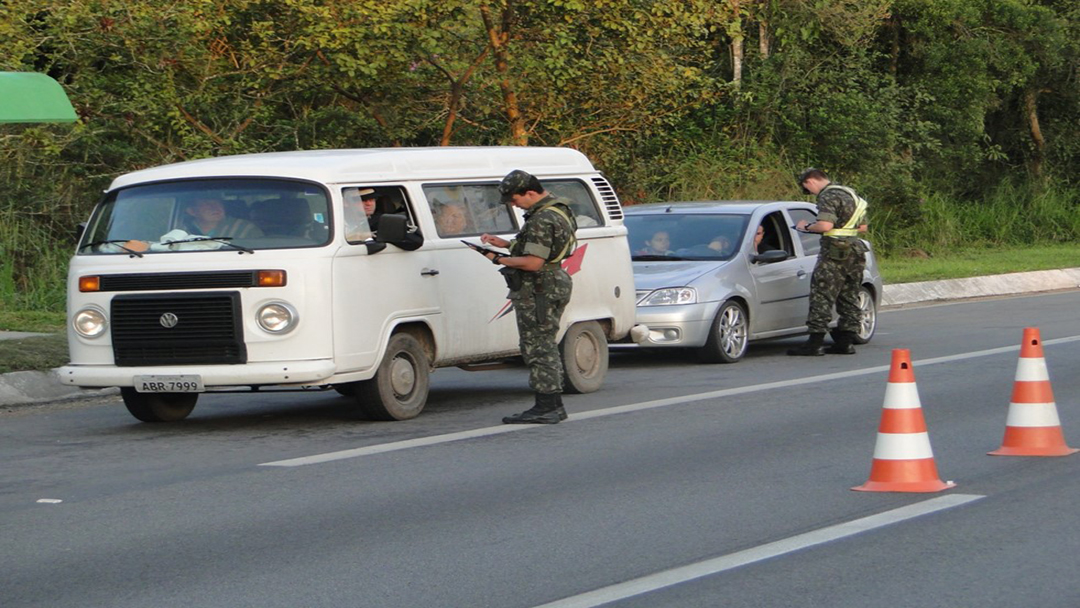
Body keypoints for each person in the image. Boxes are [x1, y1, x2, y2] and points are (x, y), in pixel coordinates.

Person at [478, 169, 577, 424]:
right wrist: (506, 244)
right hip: (549, 282)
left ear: (530, 193)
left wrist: (497, 258)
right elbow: (546, 248)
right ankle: (550, 404)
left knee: (538, 346)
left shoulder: (541, 218)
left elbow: (533, 262)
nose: (513, 204)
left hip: (540, 287)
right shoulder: (557, 210)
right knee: (543, 343)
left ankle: (547, 406)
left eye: (514, 199)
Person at [788, 168, 869, 356]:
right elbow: (863, 227)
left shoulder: (828, 196)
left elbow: (825, 225)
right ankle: (846, 342)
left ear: (810, 181)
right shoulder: (852, 195)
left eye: (807, 189)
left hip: (834, 252)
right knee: (850, 295)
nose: (811, 193)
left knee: (821, 294)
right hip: (855, 251)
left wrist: (806, 227)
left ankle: (814, 343)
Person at [183, 197, 263, 238]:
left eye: (218, 204)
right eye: (207, 205)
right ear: (192, 211)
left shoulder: (244, 227)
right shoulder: (181, 230)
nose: (215, 208)